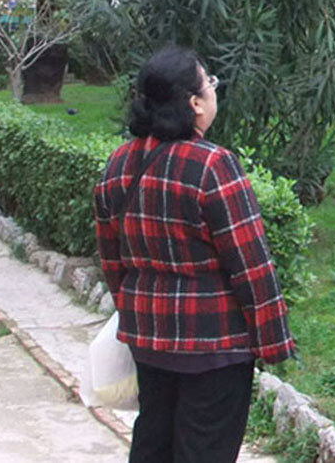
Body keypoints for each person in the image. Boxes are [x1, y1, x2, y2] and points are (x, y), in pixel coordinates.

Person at [94, 46, 295, 463]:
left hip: (148, 340)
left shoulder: (118, 164)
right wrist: (274, 343)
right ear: (195, 103)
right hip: (214, 346)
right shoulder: (213, 165)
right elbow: (251, 265)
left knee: (153, 444)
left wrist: (133, 314)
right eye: (210, 84)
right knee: (204, 449)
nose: (213, 91)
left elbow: (113, 262)